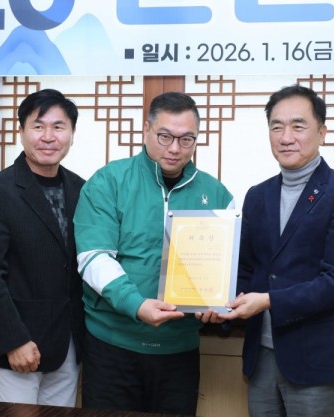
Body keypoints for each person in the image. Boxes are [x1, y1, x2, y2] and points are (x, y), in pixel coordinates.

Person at [200, 84, 334, 417]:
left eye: (298, 126)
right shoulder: (257, 195)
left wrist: (269, 301)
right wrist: (218, 304)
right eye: (276, 127)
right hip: (261, 356)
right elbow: (245, 269)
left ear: (322, 132)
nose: (286, 137)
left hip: (316, 360)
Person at [73, 91, 234, 415]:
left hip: (179, 350)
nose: (175, 148)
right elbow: (93, 258)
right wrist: (136, 304)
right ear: (146, 130)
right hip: (112, 345)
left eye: (186, 139)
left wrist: (217, 303)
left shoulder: (217, 194)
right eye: (165, 136)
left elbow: (226, 267)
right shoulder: (109, 181)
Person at [0, 89, 85, 406]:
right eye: (38, 126)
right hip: (20, 344)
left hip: (69, 342)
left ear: (72, 134)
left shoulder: (81, 188)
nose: (48, 137)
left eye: (59, 127)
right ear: (21, 131)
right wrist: (14, 340)